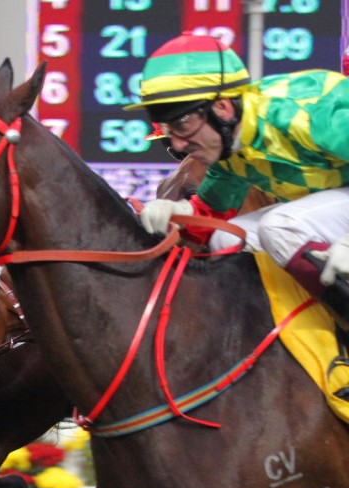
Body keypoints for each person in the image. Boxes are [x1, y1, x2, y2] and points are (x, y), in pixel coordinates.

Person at [127, 34, 349, 327]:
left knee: (280, 226)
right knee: (229, 238)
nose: (177, 145)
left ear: (222, 108)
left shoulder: (310, 114)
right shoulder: (229, 151)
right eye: (170, 130)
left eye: (183, 124)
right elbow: (211, 211)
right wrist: (177, 212)